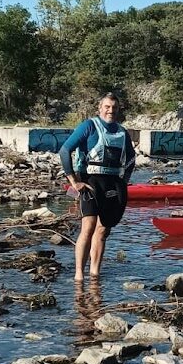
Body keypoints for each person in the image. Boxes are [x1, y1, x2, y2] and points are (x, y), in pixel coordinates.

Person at [59, 93, 136, 281]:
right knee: (89, 226)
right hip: (90, 182)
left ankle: (95, 273)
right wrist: (74, 181)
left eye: (114, 108)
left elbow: (132, 159)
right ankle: (79, 275)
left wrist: (124, 182)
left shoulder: (122, 132)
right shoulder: (89, 126)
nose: (111, 111)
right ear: (100, 108)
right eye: (107, 107)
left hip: (112, 183)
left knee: (103, 230)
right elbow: (64, 151)